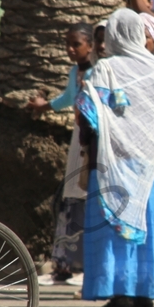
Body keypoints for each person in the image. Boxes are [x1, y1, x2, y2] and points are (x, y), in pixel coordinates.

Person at [78, 8, 154, 307]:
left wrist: (89, 144)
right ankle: (148, 293)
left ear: (113, 35)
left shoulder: (106, 69)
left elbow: (89, 114)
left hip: (116, 161)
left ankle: (121, 292)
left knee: (117, 223)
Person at [30, 22, 98, 284]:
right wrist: (45, 106)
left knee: (86, 197)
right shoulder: (75, 72)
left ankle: (84, 266)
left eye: (76, 44)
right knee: (72, 197)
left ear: (91, 46)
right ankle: (66, 265)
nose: (70, 49)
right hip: (78, 139)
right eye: (67, 44)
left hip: (92, 141)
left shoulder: (98, 72)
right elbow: (68, 98)